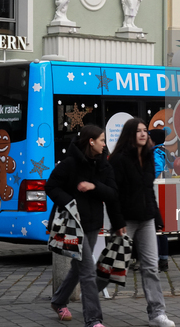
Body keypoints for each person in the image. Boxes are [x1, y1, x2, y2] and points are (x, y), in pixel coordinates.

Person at [46, 125, 125, 327]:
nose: (104, 144)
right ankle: (93, 320)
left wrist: (94, 187)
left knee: (77, 266)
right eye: (101, 140)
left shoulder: (103, 165)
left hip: (92, 224)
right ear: (91, 142)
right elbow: (51, 186)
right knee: (88, 271)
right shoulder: (70, 163)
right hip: (73, 226)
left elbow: (113, 194)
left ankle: (58, 301)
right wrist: (69, 201)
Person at [108, 119, 175, 327]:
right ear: (130, 134)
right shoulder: (118, 159)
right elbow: (113, 194)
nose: (143, 134)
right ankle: (80, 300)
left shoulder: (148, 158)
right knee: (110, 268)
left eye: (145, 130)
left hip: (146, 219)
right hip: (125, 220)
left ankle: (157, 313)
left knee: (151, 267)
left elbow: (149, 191)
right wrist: (117, 221)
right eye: (138, 131)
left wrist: (157, 216)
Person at [149, 129, 169, 272]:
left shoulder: (156, 152)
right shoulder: (161, 151)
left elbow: (158, 168)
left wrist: (146, 178)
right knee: (161, 230)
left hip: (158, 193)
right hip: (162, 194)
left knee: (156, 229)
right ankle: (162, 260)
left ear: (154, 140)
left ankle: (157, 261)